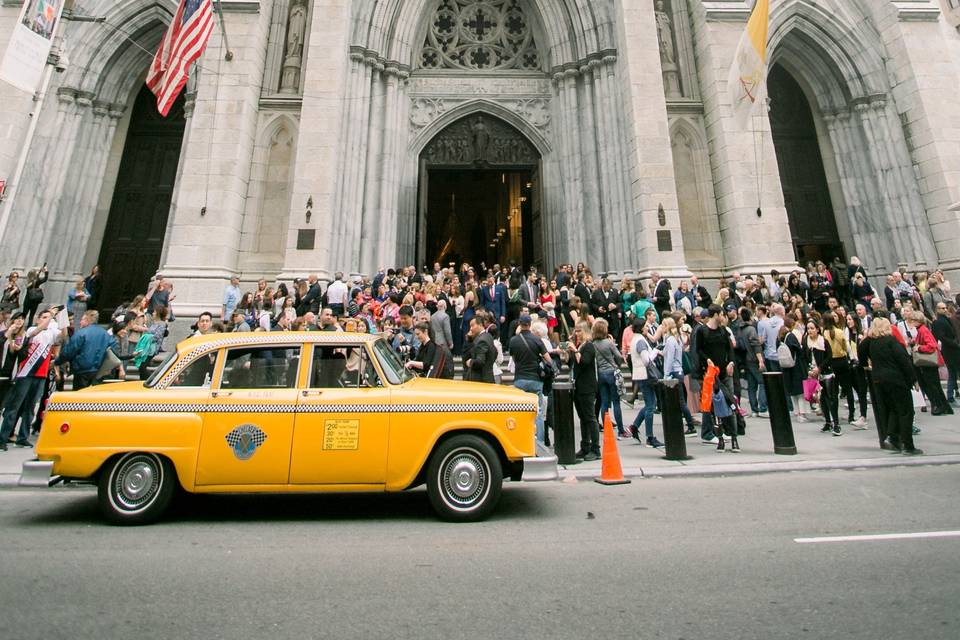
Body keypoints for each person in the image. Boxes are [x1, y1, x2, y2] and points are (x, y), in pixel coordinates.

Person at [0, 306, 62, 450]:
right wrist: (51, 315)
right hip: (24, 374)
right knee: (13, 407)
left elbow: (62, 336)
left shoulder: (44, 333)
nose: (20, 321)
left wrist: (60, 317)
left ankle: (23, 437)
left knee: (30, 407)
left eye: (22, 319)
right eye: (45, 317)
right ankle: (3, 437)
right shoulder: (29, 331)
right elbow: (36, 331)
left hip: (40, 375)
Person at [862, 318, 921, 454]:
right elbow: (903, 361)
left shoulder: (872, 343)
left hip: (878, 380)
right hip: (896, 380)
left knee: (893, 409)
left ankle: (892, 436)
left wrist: (865, 364)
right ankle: (908, 445)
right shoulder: (891, 341)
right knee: (906, 411)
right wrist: (913, 380)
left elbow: (861, 350)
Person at [56, 311, 117, 390]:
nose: (80, 322)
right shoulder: (105, 334)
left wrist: (57, 362)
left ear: (87, 320)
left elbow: (69, 351)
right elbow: (114, 348)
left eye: (82, 320)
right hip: (98, 369)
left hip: (82, 369)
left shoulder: (81, 333)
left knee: (79, 396)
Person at [907, 310, 952, 415]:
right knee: (935, 385)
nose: (911, 323)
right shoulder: (923, 329)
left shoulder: (923, 330)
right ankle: (944, 407)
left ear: (917, 321)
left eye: (912, 320)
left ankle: (939, 406)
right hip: (929, 363)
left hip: (928, 363)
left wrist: (919, 348)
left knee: (932, 385)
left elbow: (931, 346)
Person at [567, 321, 600, 460]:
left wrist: (575, 349)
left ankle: (596, 448)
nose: (576, 333)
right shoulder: (580, 346)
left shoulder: (589, 346)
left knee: (590, 417)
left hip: (587, 386)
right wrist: (568, 352)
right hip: (578, 385)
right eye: (576, 331)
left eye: (579, 331)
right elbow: (572, 363)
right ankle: (585, 445)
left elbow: (584, 362)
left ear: (585, 332)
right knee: (582, 418)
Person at [661, 317, 698, 435]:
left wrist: (666, 374)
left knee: (680, 402)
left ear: (667, 327)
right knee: (678, 401)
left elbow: (670, 358)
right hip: (678, 371)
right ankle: (685, 424)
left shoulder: (671, 340)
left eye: (663, 325)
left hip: (674, 372)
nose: (661, 327)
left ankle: (691, 426)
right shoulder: (675, 339)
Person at [931, 302, 959, 405]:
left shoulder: (945, 320)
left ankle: (953, 394)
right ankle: (950, 396)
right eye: (942, 308)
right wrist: (954, 343)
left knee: (953, 373)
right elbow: (941, 337)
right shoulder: (939, 322)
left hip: (952, 349)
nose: (945, 309)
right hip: (950, 351)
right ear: (938, 310)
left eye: (945, 308)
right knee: (952, 373)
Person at [464, 316, 496, 383]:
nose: (471, 329)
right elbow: (495, 352)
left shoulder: (481, 340)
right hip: (488, 376)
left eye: (472, 326)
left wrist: (470, 362)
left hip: (481, 380)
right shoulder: (488, 336)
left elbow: (480, 361)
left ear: (480, 325)